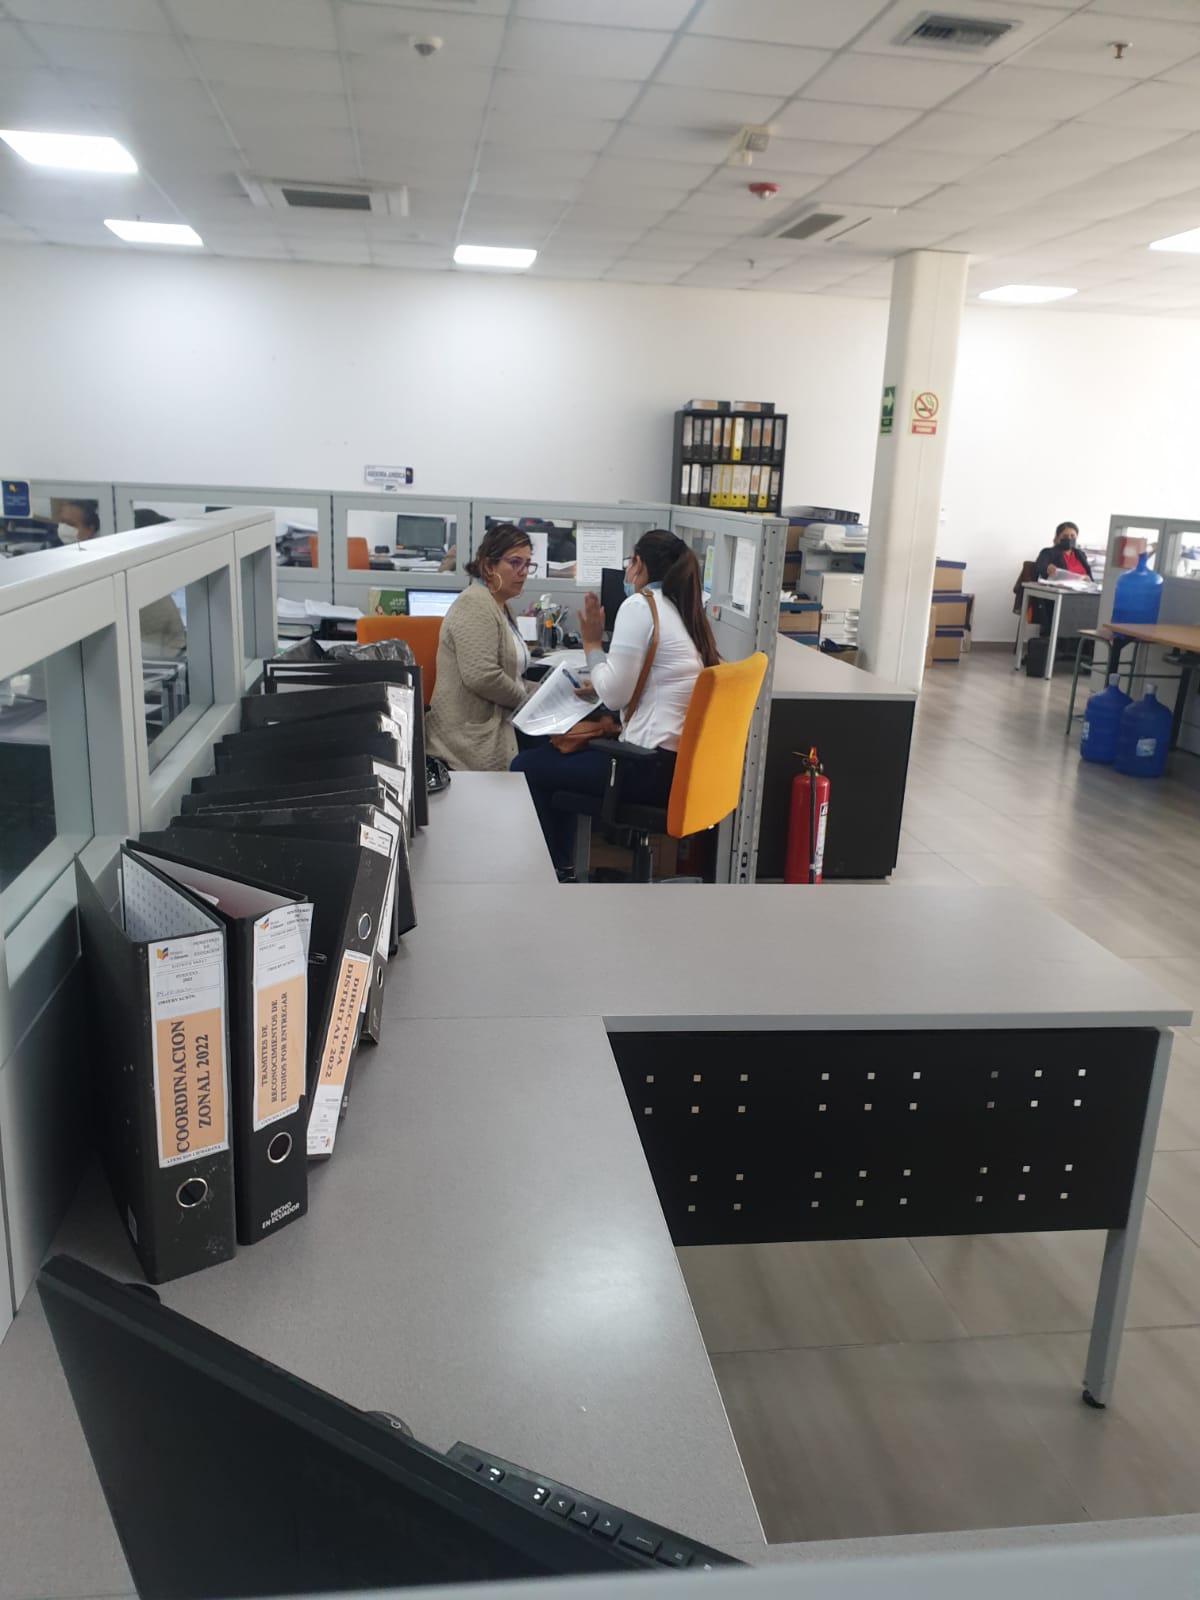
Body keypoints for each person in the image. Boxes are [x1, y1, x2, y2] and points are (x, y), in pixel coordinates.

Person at [512, 528, 719, 881]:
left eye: (629, 563)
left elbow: (614, 696)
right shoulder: (682, 611)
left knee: (526, 765)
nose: (627, 573)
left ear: (639, 565)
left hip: (644, 768)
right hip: (676, 767)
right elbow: (648, 683)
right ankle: (561, 870)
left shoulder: (641, 606)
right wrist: (602, 683)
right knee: (551, 765)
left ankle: (555, 874)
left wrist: (592, 644)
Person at [425, 522, 536, 772]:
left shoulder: (502, 606)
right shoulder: (474, 605)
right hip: (469, 736)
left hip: (501, 719)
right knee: (550, 764)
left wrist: (542, 691)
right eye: (515, 562)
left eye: (528, 564)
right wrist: (527, 703)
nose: (523, 572)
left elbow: (511, 674)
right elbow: (483, 677)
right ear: (488, 566)